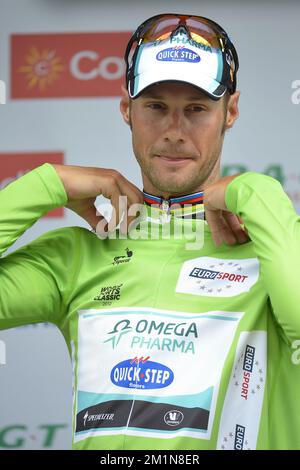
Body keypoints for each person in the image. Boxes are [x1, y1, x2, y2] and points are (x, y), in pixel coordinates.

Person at [1, 13, 300, 451]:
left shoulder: (277, 247)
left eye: (196, 109)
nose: (175, 132)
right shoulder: (77, 255)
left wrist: (255, 191)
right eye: (156, 107)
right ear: (127, 109)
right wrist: (47, 183)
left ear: (230, 111)